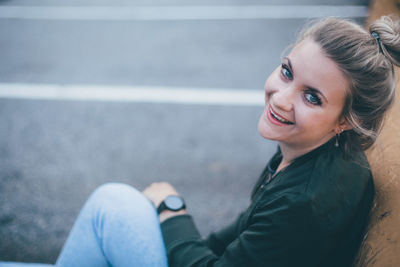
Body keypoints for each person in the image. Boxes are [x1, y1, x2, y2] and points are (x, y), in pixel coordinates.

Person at [1, 15, 400, 267]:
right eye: (286, 71)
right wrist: (183, 234)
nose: (280, 97)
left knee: (112, 206)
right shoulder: (316, 153)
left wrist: (172, 211)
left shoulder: (306, 201)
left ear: (346, 121)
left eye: (311, 97)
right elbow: (241, 233)